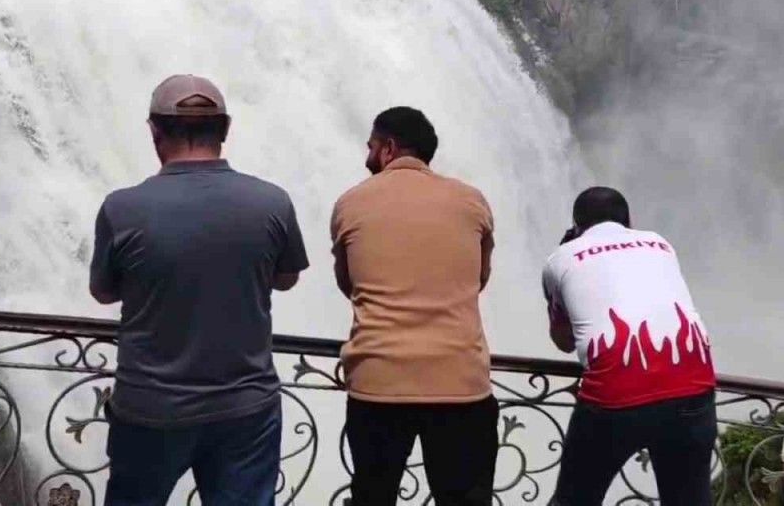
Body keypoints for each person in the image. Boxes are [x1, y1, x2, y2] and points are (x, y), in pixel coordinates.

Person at [90, 75, 310, 506]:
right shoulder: (273, 202)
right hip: (246, 408)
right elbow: (286, 278)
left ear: (154, 132)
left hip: (150, 407)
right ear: (225, 130)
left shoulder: (121, 208)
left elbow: (104, 292)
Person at [330, 107, 497, 506]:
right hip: (460, 383)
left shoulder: (351, 202)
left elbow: (349, 284)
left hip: (378, 383)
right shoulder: (471, 200)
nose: (367, 156)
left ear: (388, 148)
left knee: (373, 497)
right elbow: (479, 279)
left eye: (370, 146)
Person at [543, 187, 717, 506]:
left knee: (574, 500)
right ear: (630, 222)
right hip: (693, 386)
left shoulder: (561, 257)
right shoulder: (661, 243)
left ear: (577, 226)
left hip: (615, 395)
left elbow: (563, 341)